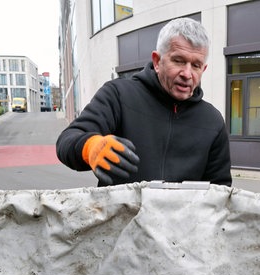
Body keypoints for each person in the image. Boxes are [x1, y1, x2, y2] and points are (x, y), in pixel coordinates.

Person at [56, 18, 232, 187]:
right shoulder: (118, 95)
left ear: (204, 69)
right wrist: (89, 147)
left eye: (196, 65)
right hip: (122, 216)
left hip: (183, 219)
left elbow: (220, 190)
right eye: (178, 61)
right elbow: (67, 140)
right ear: (157, 61)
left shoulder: (213, 121)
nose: (187, 73)